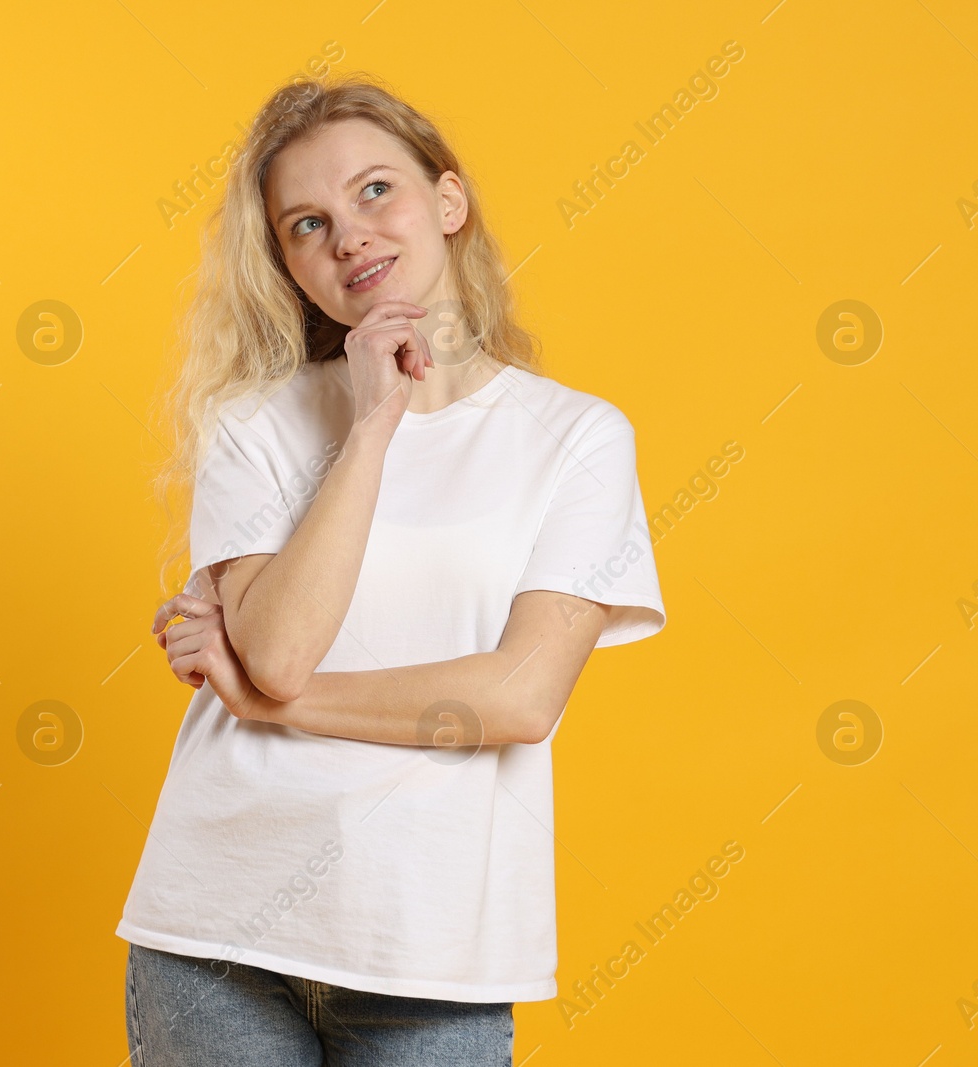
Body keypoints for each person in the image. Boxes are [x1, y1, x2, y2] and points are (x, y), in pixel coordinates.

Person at [116, 72, 666, 1067]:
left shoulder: (576, 438)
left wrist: (268, 702)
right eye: (307, 224)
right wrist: (371, 424)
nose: (350, 235)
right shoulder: (256, 426)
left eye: (377, 191)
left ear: (447, 202)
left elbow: (517, 697)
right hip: (219, 925)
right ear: (289, 267)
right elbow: (278, 649)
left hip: (433, 945)